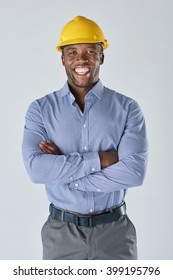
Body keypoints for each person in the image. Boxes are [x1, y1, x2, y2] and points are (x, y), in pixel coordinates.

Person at [22, 15, 148, 260]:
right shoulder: (40, 109)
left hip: (115, 234)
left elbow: (133, 173)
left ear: (102, 56)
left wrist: (66, 177)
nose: (81, 59)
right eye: (72, 52)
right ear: (62, 59)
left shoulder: (128, 108)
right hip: (61, 234)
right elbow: (37, 170)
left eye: (90, 51)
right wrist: (100, 159)